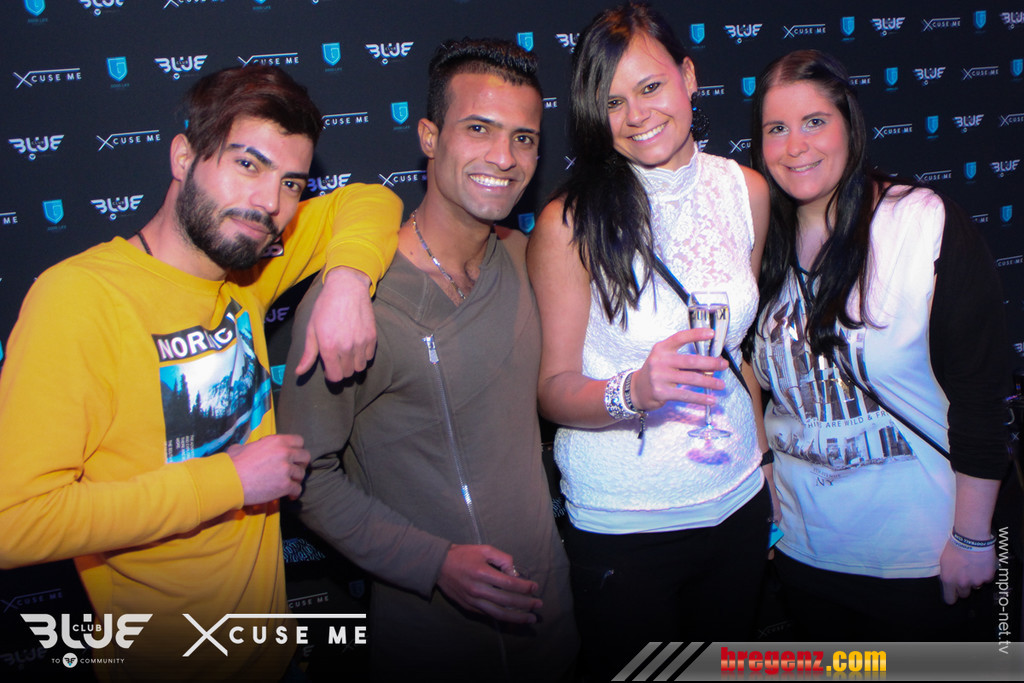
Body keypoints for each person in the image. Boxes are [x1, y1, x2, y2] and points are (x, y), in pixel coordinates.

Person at [0, 65, 402, 680]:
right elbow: (15, 522)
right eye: (248, 164)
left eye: (291, 182)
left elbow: (372, 199)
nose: (270, 203)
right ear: (184, 157)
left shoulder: (246, 272)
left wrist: (347, 281)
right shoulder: (80, 299)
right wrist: (227, 482)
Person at [277, 39, 578, 681]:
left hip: (548, 619)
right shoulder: (349, 302)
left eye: (524, 138)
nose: (504, 157)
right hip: (427, 635)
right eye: (479, 129)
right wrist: (433, 562)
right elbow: (306, 475)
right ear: (430, 137)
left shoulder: (527, 259)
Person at [527, 3, 771, 678]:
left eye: (651, 86)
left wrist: (764, 463)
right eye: (612, 101)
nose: (636, 115)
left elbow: (737, 353)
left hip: (739, 503)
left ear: (688, 77)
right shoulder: (570, 223)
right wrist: (635, 390)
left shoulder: (746, 191)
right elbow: (553, 390)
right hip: (628, 527)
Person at [747, 49, 1010, 639]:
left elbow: (981, 395)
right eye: (776, 129)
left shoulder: (919, 223)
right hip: (805, 555)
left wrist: (973, 538)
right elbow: (747, 378)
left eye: (815, 121)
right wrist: (764, 479)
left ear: (850, 125)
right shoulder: (759, 250)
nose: (795, 146)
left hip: (924, 557)